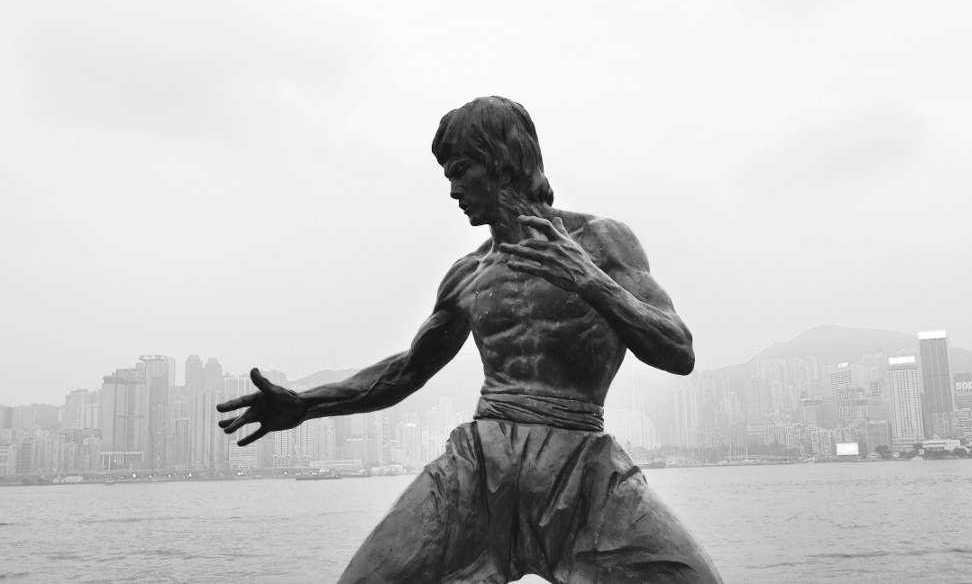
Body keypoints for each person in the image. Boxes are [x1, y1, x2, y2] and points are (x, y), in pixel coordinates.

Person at [217, 96, 724, 584]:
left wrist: (590, 280)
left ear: (501, 163)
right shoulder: (467, 276)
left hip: (581, 467)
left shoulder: (601, 242)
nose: (453, 190)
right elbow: (404, 372)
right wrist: (305, 405)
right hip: (481, 468)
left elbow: (678, 351)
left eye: (461, 170)